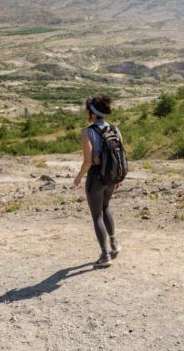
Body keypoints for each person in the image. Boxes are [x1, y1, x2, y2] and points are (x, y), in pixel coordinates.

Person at [73, 93, 122, 268]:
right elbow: (119, 155)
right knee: (106, 207)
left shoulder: (87, 132)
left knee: (97, 215)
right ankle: (114, 243)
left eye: (87, 109)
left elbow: (87, 161)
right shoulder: (115, 129)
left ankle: (104, 255)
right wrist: (117, 176)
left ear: (92, 113)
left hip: (96, 177)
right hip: (111, 176)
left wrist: (78, 178)